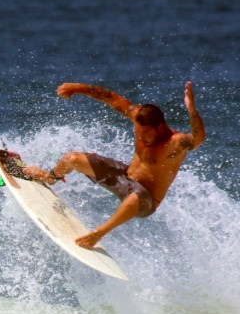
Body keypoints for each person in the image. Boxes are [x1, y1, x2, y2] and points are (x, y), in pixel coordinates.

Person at [22, 81, 205, 249]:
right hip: (123, 176)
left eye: (146, 133)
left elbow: (198, 138)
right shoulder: (138, 116)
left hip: (145, 201)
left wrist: (191, 108)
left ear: (160, 128)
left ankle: (97, 234)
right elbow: (110, 97)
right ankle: (49, 177)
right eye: (139, 132)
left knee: (135, 196)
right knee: (73, 159)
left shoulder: (175, 143)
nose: (141, 137)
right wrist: (78, 88)